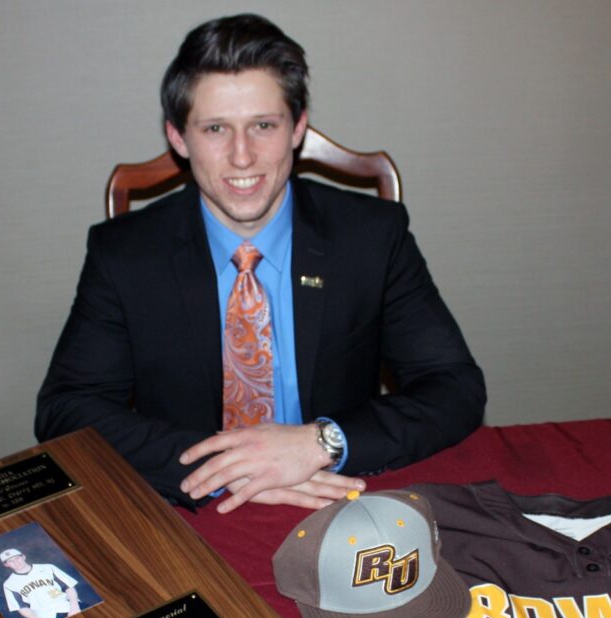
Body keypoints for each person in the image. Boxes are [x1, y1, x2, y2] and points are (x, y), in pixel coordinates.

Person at [35, 14, 485, 513]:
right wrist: (232, 470)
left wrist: (321, 443)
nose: (242, 157)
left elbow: (455, 387)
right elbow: (66, 409)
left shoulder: (372, 236)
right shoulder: (124, 253)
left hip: (336, 499)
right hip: (193, 508)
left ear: (298, 128)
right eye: (215, 129)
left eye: (264, 126)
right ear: (179, 138)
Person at [0, 548, 81, 618]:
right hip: (43, 616)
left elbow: (68, 587)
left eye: (17, 558)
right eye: (10, 561)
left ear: (23, 557)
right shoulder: (9, 584)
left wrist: (75, 607)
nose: (16, 563)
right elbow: (21, 607)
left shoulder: (48, 567)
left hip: (66, 605)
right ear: (6, 565)